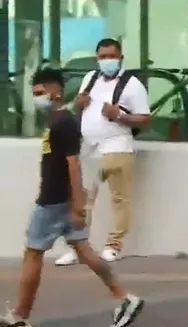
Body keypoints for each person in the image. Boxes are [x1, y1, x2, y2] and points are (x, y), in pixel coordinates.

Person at [1, 69, 145, 327]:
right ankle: (124, 298)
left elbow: (74, 165)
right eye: (34, 94)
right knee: (85, 252)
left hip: (54, 202)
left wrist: (78, 205)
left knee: (33, 253)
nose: (37, 98)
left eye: (41, 93)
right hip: (62, 200)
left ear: (56, 92)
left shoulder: (63, 123)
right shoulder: (56, 119)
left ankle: (20, 316)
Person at [55, 38, 150, 266]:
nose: (107, 61)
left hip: (118, 147)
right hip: (89, 148)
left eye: (111, 56)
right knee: (81, 200)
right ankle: (78, 247)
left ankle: (114, 246)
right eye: (102, 57)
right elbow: (78, 106)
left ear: (121, 58)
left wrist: (119, 115)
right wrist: (79, 103)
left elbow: (145, 119)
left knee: (120, 200)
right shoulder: (90, 78)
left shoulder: (133, 85)